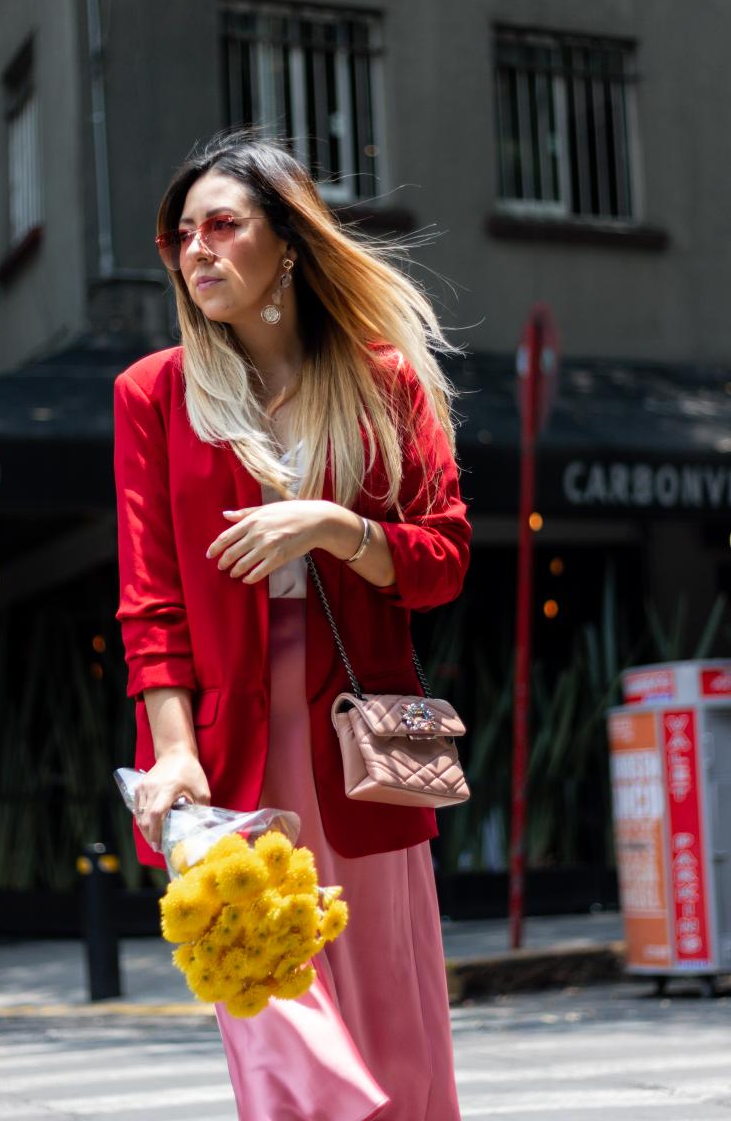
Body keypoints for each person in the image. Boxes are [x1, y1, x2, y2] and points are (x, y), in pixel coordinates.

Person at [113, 131, 471, 1121]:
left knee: (389, 1019)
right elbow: (151, 601)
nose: (197, 251)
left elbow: (440, 561)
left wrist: (332, 525)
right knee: (276, 1016)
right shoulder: (151, 395)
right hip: (221, 752)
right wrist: (172, 756)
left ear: (288, 242)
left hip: (356, 739)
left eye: (222, 225)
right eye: (178, 235)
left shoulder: (381, 381)